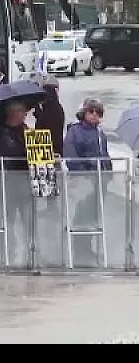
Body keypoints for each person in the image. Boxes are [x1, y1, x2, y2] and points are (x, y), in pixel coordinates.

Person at [63, 98, 111, 266]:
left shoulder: (100, 134)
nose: (94, 115)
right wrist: (85, 171)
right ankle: (79, 249)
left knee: (93, 216)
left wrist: (108, 174)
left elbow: (105, 154)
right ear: (84, 113)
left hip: (100, 181)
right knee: (81, 216)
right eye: (91, 111)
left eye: (98, 112)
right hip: (83, 180)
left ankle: (88, 247)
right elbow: (70, 156)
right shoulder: (74, 131)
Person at [0, 100, 31, 266]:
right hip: (8, 178)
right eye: (22, 112)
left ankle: (30, 246)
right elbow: (8, 150)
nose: (25, 115)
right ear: (13, 113)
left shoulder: (26, 130)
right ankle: (9, 247)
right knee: (9, 216)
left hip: (25, 178)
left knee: (27, 215)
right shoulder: (0, 131)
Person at [34, 79, 65, 156]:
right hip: (56, 148)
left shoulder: (48, 109)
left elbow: (41, 127)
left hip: (45, 149)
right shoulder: (56, 107)